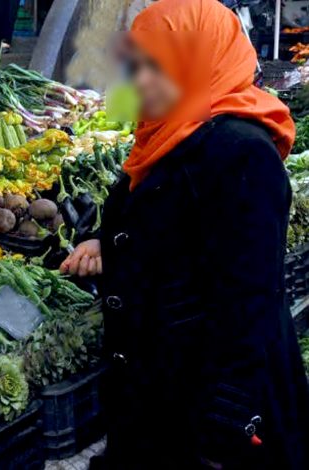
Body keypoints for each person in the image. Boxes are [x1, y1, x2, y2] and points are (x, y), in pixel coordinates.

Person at [60, 0, 309, 468]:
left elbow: (249, 300)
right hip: (159, 389)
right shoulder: (169, 133)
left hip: (202, 409)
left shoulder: (241, 153)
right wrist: (102, 239)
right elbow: (155, 220)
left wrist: (225, 424)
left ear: (200, 60)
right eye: (136, 65)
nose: (140, 82)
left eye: (158, 66)